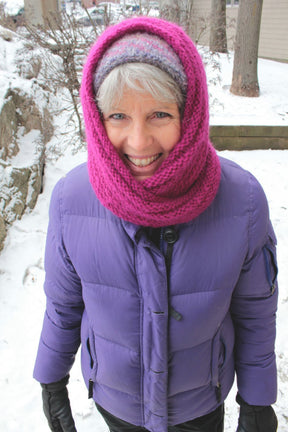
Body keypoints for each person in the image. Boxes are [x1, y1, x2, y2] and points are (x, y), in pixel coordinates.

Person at [33, 16, 278, 432]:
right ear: (97, 118)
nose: (139, 141)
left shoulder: (242, 200)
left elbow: (255, 312)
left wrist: (257, 401)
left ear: (190, 112)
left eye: (160, 114)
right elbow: (64, 305)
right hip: (118, 404)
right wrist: (51, 379)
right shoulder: (72, 200)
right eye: (118, 117)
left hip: (199, 407)